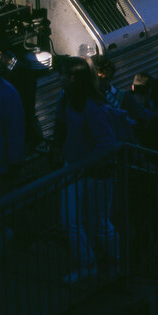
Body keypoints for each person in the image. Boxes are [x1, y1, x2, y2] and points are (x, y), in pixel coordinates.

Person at [54, 56, 119, 283]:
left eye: (62, 74)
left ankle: (104, 263)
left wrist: (81, 162)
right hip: (80, 169)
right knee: (81, 221)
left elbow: (106, 143)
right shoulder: (78, 101)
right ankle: (101, 263)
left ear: (73, 78)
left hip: (89, 172)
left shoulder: (89, 106)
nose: (59, 77)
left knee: (94, 222)